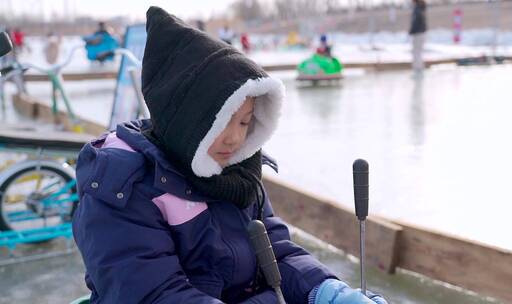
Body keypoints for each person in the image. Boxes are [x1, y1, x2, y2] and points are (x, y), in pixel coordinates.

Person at [72, 6, 388, 304]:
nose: (236, 138)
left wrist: (324, 290)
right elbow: (152, 294)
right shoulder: (124, 188)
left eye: (245, 121)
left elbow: (275, 253)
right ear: (186, 119)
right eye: (222, 122)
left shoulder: (238, 172)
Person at [409, 0, 427, 71]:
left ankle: (418, 68)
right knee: (417, 51)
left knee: (416, 52)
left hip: (418, 33)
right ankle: (418, 67)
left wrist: (412, 30)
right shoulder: (419, 8)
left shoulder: (417, 9)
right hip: (420, 32)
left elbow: (417, 22)